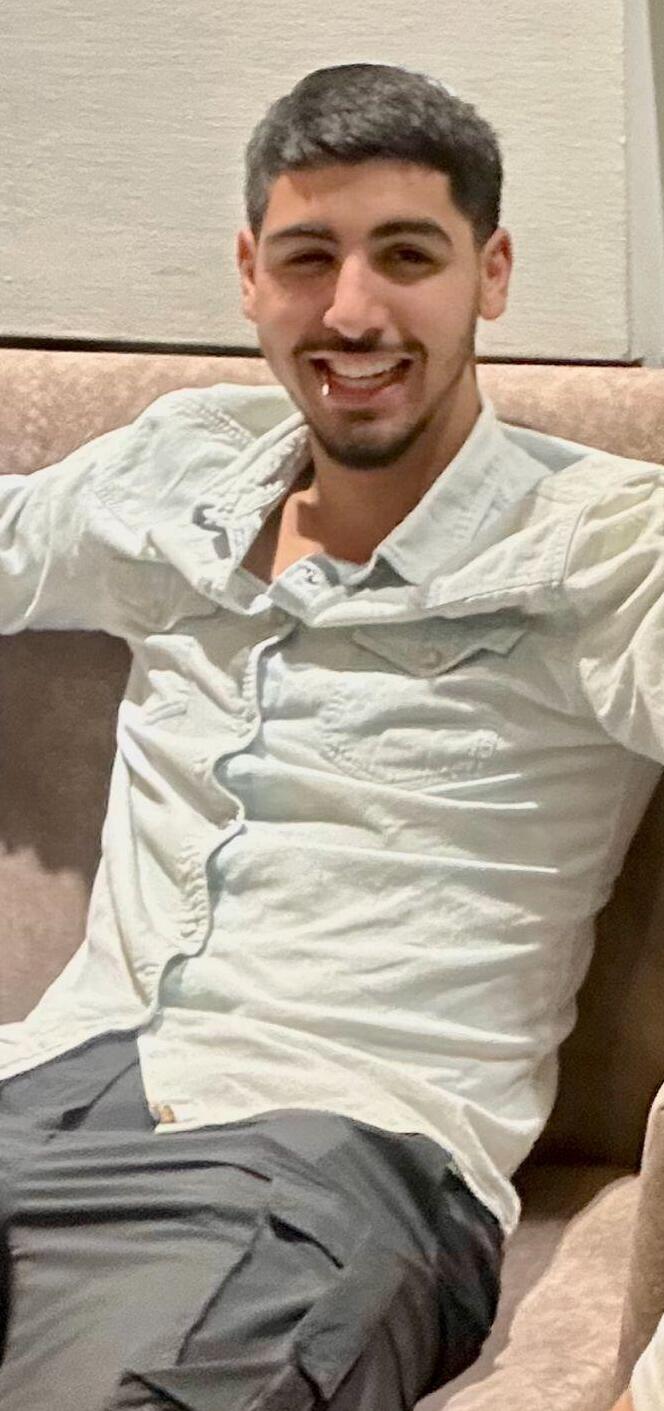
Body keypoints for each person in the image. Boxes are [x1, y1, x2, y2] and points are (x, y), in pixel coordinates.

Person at [0, 59, 662, 1411]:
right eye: (309, 257)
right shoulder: (174, 467)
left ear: (490, 274)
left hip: (323, 1160)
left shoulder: (606, 546)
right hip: (38, 1090)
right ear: (251, 275)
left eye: (407, 254)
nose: (353, 311)